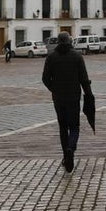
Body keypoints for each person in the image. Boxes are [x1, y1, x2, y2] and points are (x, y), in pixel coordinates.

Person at [41, 32, 92, 172]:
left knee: (63, 127)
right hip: (73, 97)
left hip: (58, 98)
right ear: (69, 41)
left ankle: (65, 155)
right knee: (74, 126)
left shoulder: (52, 57)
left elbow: (45, 78)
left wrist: (54, 89)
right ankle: (71, 149)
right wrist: (89, 94)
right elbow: (84, 78)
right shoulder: (76, 56)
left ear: (58, 41)